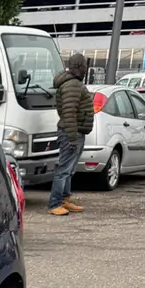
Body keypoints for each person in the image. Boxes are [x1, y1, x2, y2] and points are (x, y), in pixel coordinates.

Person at [49, 53, 95, 216]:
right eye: (84, 65)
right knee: (64, 169)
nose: (85, 68)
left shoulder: (73, 83)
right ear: (79, 66)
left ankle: (65, 200)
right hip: (72, 132)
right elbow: (69, 113)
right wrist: (72, 138)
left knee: (69, 170)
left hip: (75, 131)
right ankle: (55, 204)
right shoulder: (72, 85)